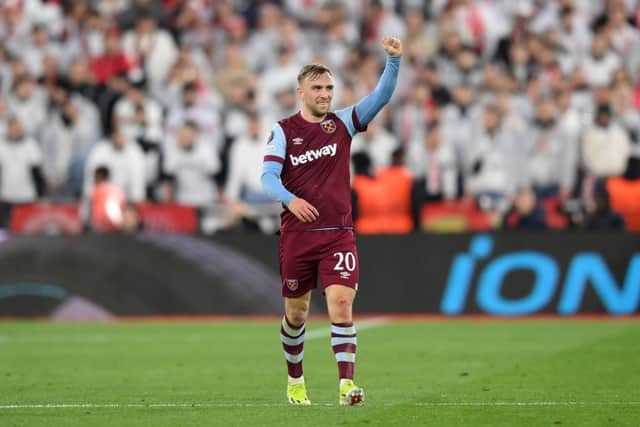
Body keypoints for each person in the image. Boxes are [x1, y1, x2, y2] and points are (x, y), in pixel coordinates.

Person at [261, 36, 402, 406]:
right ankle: (295, 382)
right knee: (297, 313)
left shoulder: (343, 123)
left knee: (341, 305)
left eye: (329, 88)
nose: (325, 94)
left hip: (338, 234)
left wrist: (393, 60)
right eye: (317, 88)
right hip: (297, 236)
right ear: (300, 92)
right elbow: (267, 180)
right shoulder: (283, 131)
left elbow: (381, 98)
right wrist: (292, 200)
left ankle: (346, 386)